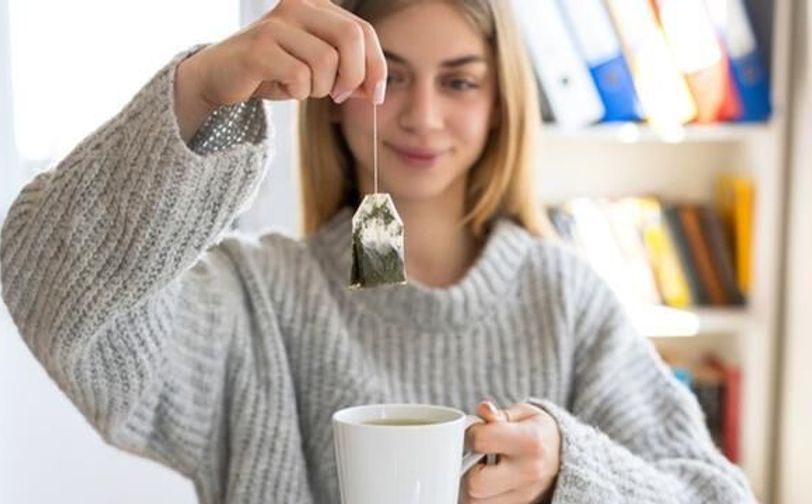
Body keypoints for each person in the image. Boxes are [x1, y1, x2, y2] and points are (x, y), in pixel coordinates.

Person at [0, 0, 756, 503]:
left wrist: (570, 471)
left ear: (500, 109)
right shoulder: (255, 299)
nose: (423, 117)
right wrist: (199, 91)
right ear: (334, 97)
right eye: (387, 78)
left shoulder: (566, 300)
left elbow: (714, 495)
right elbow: (41, 283)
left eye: (459, 82)